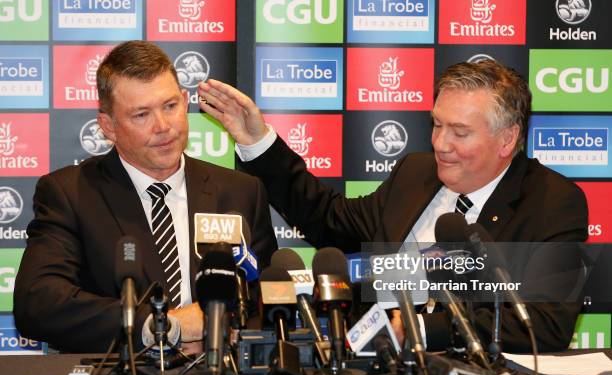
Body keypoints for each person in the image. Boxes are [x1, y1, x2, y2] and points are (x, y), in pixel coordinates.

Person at [196, 59, 588, 352]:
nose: (440, 144)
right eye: (437, 124)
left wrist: (419, 327)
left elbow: (543, 324)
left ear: (507, 139)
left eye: (460, 132)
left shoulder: (551, 202)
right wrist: (259, 143)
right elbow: (328, 220)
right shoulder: (416, 174)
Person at [13, 41, 277, 353]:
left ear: (184, 100)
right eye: (141, 115)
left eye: (170, 106)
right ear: (108, 127)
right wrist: (164, 327)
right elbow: (40, 303)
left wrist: (226, 328)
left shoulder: (240, 191)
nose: (163, 127)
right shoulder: (71, 193)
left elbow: (270, 299)